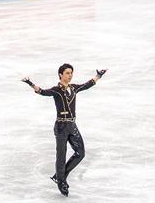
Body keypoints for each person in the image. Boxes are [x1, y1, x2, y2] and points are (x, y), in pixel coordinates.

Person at [22, 64, 107, 196]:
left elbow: (88, 84)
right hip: (61, 126)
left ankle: (60, 175)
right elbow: (43, 92)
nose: (70, 75)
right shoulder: (56, 90)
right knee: (61, 156)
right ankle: (61, 181)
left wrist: (99, 76)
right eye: (67, 73)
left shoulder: (74, 88)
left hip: (72, 126)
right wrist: (30, 83)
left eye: (71, 73)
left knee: (81, 152)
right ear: (61, 74)